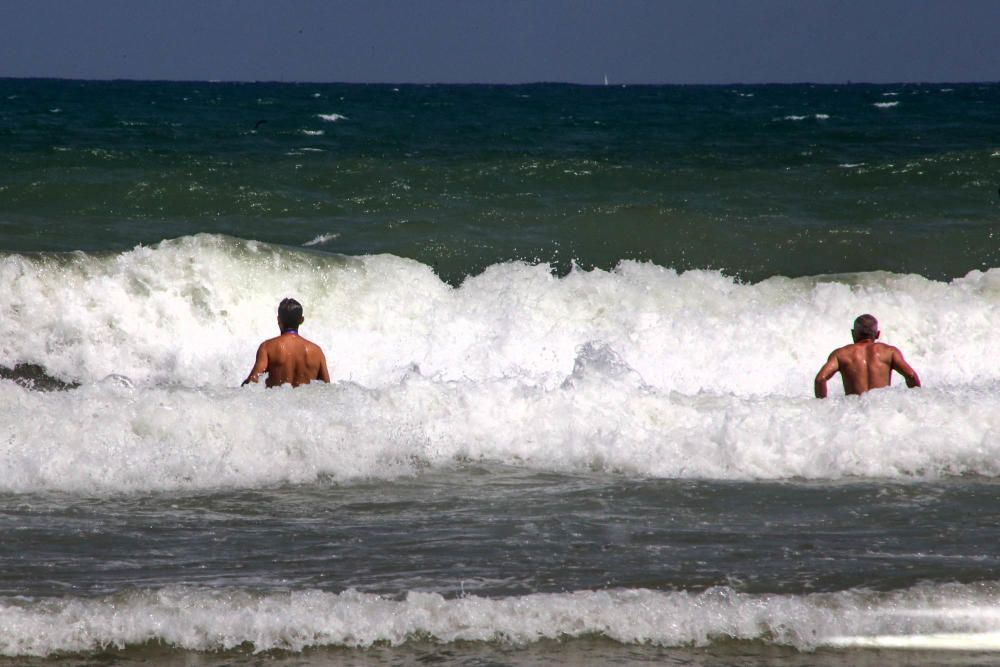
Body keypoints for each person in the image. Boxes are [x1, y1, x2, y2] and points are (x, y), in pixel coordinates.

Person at [814, 314, 921, 398]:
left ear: (853, 333)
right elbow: (911, 376)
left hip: (854, 414)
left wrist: (823, 408)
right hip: (881, 412)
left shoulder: (841, 354)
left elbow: (820, 379)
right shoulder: (890, 352)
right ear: (878, 334)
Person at [242, 298, 330, 387]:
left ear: (278, 319)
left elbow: (252, 381)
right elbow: (327, 389)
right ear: (301, 320)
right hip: (305, 401)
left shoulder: (267, 347)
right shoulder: (317, 351)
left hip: (276, 400)